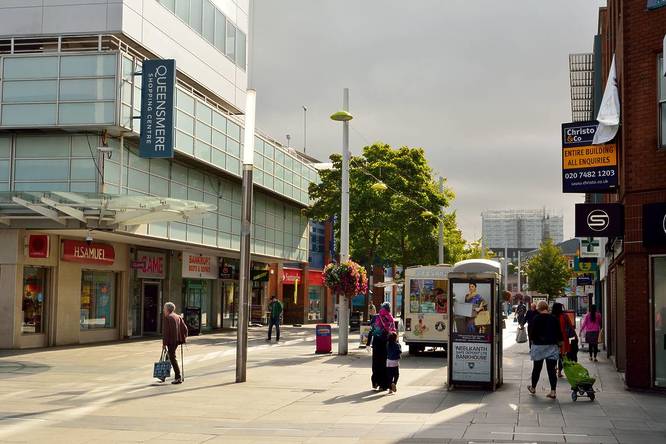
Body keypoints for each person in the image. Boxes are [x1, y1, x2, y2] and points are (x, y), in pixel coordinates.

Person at [527, 301, 562, 399]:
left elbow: (532, 333)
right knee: (551, 370)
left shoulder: (536, 318)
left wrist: (532, 342)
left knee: (537, 369)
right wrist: (560, 343)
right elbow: (558, 332)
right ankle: (553, 391)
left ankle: (533, 388)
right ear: (546, 307)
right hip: (552, 346)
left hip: (539, 347)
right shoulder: (554, 318)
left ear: (538, 308)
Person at [370, 302, 396, 391]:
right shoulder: (390, 318)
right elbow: (393, 332)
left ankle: (375, 382)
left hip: (377, 343)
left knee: (376, 363)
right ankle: (384, 384)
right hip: (386, 343)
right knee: (385, 364)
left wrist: (367, 344)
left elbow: (371, 330)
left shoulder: (376, 317)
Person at [162, 302, 187, 385]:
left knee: (172, 357)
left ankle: (178, 377)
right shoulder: (178, 316)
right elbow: (185, 329)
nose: (163, 310)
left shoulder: (167, 317)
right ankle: (163, 375)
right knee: (168, 356)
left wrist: (164, 343)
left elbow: (166, 332)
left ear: (167, 310)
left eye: (164, 309)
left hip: (171, 341)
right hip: (177, 340)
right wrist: (183, 337)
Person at [552, 302, 577, 377]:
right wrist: (575, 336)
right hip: (563, 338)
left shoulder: (551, 316)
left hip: (553, 338)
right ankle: (559, 371)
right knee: (562, 355)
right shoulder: (564, 316)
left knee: (553, 355)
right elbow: (570, 326)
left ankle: (554, 369)